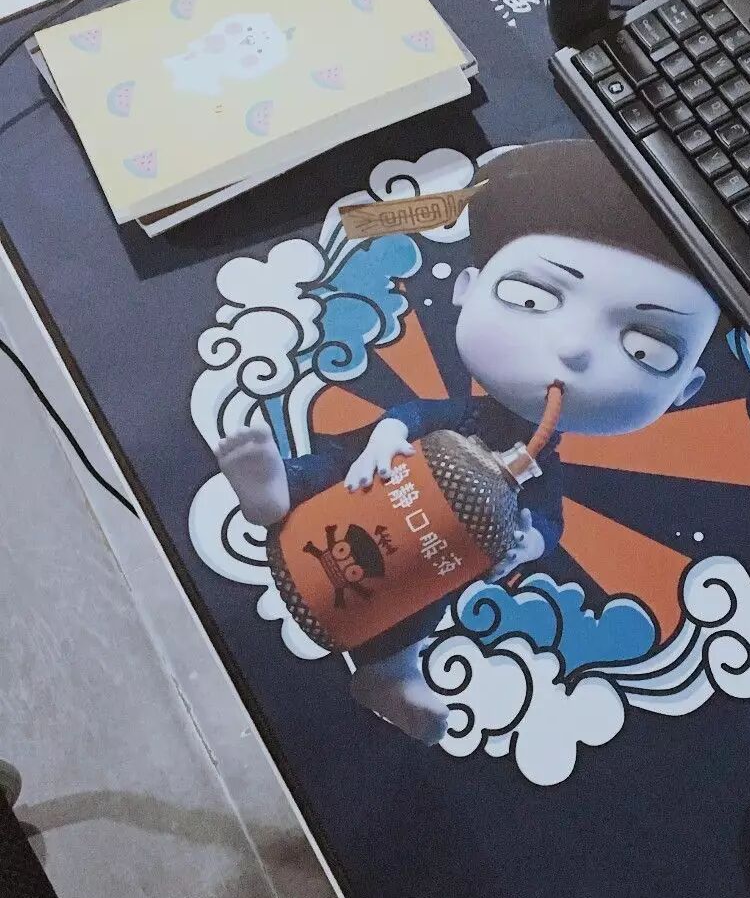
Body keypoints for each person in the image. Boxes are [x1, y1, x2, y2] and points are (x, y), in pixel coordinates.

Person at [216, 138, 720, 743]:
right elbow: (417, 413)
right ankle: (277, 494)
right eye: (532, 297)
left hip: (433, 547)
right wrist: (387, 436)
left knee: (427, 592)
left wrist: (529, 542)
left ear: (685, 391)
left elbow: (548, 518)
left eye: (645, 347)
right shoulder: (465, 415)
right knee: (331, 467)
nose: (574, 348)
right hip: (375, 474)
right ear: (467, 286)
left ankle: (390, 668)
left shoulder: (542, 467)